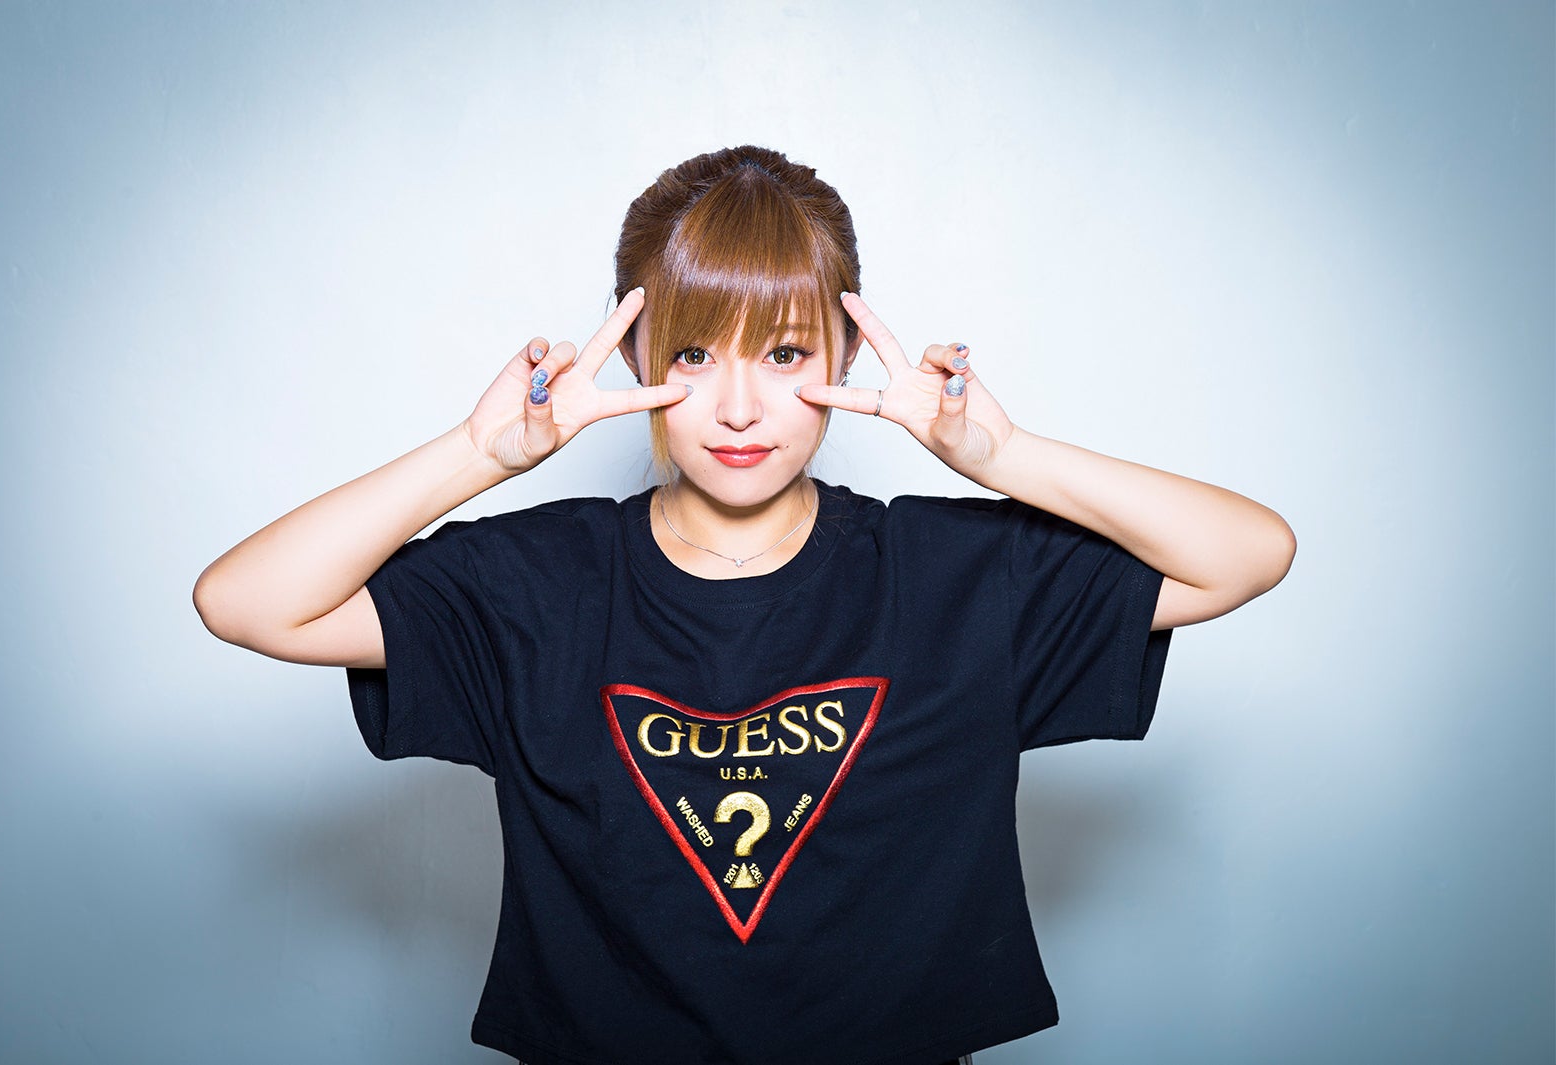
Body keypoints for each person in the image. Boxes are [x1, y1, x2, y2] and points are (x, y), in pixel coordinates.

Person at [194, 145, 1295, 1065]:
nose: (735, 407)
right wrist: (479, 454)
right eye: (690, 352)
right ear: (633, 352)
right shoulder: (534, 585)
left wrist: (1002, 456)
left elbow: (1247, 554)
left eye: (783, 353)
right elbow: (245, 602)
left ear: (848, 353)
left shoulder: (955, 576)